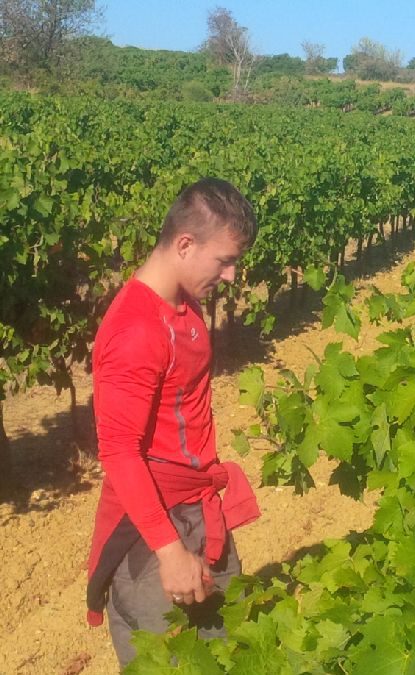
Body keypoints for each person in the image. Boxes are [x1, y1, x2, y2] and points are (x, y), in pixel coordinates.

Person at [85, 178, 261, 667]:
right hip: (157, 524)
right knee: (168, 661)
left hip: (196, 509)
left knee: (227, 650)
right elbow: (119, 452)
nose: (230, 276)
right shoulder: (135, 330)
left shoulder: (185, 302)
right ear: (185, 244)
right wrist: (169, 551)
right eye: (224, 261)